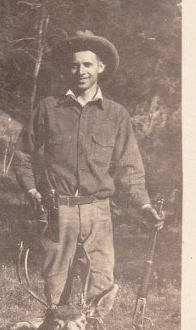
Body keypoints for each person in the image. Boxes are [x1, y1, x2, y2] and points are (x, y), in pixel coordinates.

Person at [13, 30, 164, 309]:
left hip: (98, 213)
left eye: (87, 64)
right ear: (66, 68)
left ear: (101, 67)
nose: (80, 71)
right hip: (58, 213)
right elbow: (22, 155)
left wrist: (144, 205)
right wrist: (32, 189)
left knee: (101, 285)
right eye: (74, 65)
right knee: (56, 286)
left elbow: (130, 168)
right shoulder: (48, 109)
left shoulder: (116, 114)